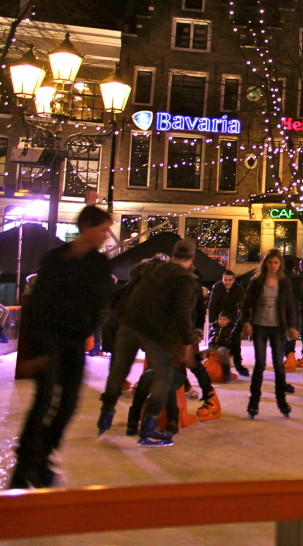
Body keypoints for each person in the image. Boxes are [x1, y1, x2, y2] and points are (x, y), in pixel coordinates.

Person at [9, 206, 114, 489]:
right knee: (43, 402)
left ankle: (39, 456)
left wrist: (89, 329)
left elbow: (101, 302)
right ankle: (25, 466)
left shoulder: (99, 264)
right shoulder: (56, 259)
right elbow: (40, 304)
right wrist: (35, 350)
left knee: (67, 405)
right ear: (88, 227)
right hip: (50, 340)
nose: (106, 236)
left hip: (74, 342)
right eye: (104, 229)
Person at [97, 238, 200, 446]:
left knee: (118, 370)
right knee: (163, 376)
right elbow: (182, 315)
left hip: (129, 323)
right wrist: (188, 344)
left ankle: (106, 413)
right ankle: (149, 427)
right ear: (192, 258)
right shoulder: (184, 278)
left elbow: (133, 280)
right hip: (155, 333)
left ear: (173, 253)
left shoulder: (152, 268)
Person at [239, 249, 300, 419]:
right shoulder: (257, 281)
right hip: (259, 326)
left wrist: (293, 326)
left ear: (280, 264)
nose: (273, 265)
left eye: (276, 262)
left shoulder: (284, 282)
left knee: (279, 366)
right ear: (265, 263)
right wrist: (246, 322)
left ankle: (282, 402)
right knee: (260, 365)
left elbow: (290, 306)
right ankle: (253, 403)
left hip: (277, 328)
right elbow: (245, 304)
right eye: (270, 262)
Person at [207, 269, 249, 376]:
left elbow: (243, 306)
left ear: (234, 280)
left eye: (230, 280)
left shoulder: (238, 289)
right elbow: (212, 304)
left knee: (235, 342)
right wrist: (212, 321)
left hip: (232, 319)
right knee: (216, 338)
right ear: (222, 279)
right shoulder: (217, 287)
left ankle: (238, 365)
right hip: (219, 318)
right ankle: (214, 362)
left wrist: (240, 322)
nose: (227, 282)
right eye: (225, 280)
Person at [202, 312, 235, 383]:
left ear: (229, 321)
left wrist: (232, 350)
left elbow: (233, 342)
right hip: (213, 346)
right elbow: (211, 336)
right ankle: (202, 371)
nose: (221, 321)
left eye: (224, 319)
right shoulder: (214, 327)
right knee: (203, 352)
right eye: (220, 319)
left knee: (221, 351)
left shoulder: (230, 329)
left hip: (223, 347)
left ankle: (226, 371)